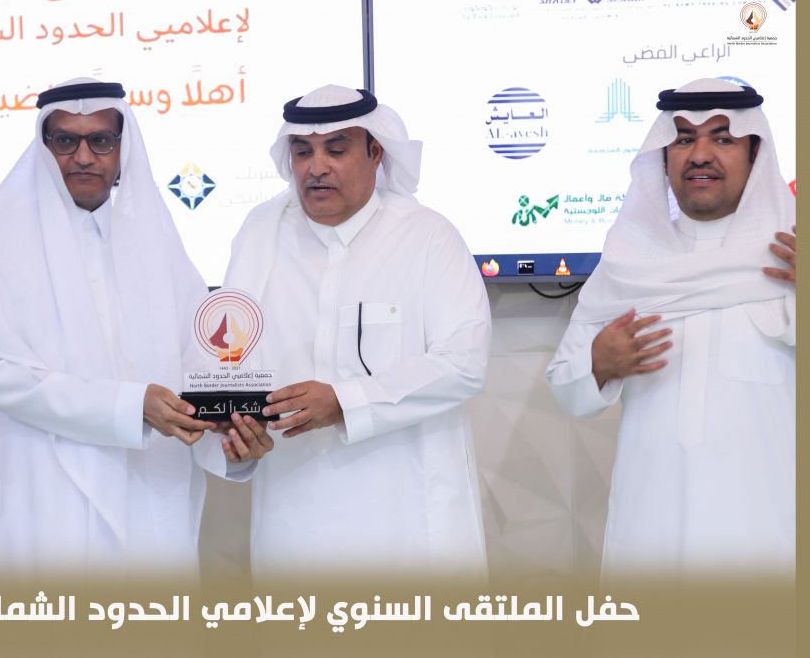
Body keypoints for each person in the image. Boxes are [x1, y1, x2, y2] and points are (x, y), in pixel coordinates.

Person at [0, 78, 263, 581]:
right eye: (65, 140)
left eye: (100, 140)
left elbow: (196, 359)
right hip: (48, 487)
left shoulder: (157, 244)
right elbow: (7, 380)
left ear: (122, 148)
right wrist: (133, 406)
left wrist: (226, 427)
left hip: (150, 486)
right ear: (44, 146)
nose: (83, 156)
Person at [221, 84, 491, 578]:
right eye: (302, 151)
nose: (316, 167)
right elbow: (229, 360)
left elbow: (463, 363)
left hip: (406, 522)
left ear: (375, 152)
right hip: (294, 519)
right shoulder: (260, 234)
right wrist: (236, 432)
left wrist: (345, 401)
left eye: (336, 149)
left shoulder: (428, 236)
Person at [546, 78, 796, 580]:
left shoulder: (793, 259)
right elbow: (567, 388)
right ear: (663, 158)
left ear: (755, 155)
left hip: (765, 532)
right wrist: (597, 365)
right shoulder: (629, 264)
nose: (700, 154)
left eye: (723, 138)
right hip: (650, 532)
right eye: (683, 139)